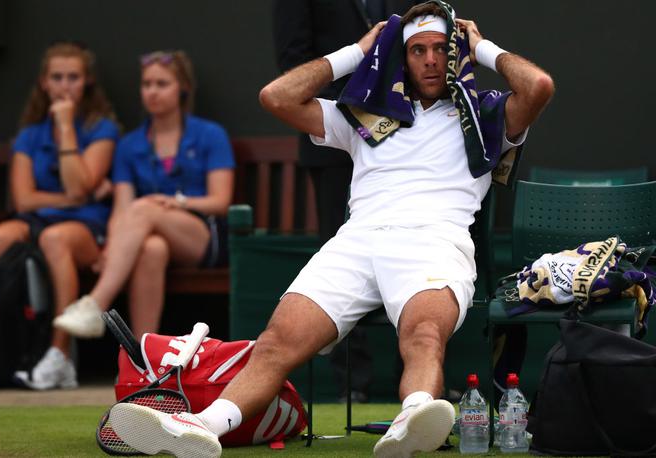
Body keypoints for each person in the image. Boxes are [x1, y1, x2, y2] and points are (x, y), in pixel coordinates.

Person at [108, 2, 554, 456]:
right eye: (418, 50)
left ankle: (416, 414)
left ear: (456, 53)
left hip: (434, 241)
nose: (432, 60)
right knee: (276, 342)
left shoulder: (484, 117)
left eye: (442, 48)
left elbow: (538, 85)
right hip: (357, 241)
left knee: (423, 337)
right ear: (402, 57)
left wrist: (480, 46)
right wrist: (359, 51)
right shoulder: (365, 115)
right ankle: (202, 427)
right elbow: (276, 97)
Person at [273, 0, 421, 404]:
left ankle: (417, 374)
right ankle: (351, 383)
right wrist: (354, 109)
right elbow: (293, 59)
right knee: (342, 255)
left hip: (404, 132)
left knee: (413, 250)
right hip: (337, 127)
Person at [53, 50, 235, 340]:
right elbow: (121, 208)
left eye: (162, 84)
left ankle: (96, 304)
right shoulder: (129, 144)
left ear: (183, 88)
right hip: (148, 231)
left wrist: (178, 203)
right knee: (152, 247)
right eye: (146, 84)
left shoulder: (210, 134)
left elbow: (221, 201)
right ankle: (142, 359)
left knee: (143, 208)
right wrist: (112, 248)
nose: (152, 92)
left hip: (202, 234)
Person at [0, 42, 119, 391]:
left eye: (73, 77)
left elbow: (80, 184)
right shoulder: (29, 135)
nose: (65, 85)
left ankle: (59, 356)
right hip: (36, 219)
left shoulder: (102, 129)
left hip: (86, 226)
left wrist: (66, 126)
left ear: (87, 83)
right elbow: (24, 198)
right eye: (57, 77)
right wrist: (73, 194)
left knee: (55, 239)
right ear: (43, 83)